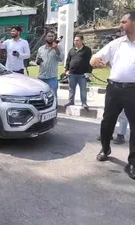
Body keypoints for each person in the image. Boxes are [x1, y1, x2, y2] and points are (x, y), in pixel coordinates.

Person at [90, 11, 135, 179]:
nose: (120, 25)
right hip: (114, 89)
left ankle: (133, 162)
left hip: (133, 91)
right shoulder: (117, 44)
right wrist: (95, 61)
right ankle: (105, 148)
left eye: (124, 22)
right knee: (107, 122)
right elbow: (95, 58)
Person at [64, 34, 93, 110]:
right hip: (72, 73)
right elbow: (68, 61)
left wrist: (89, 72)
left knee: (83, 89)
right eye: (74, 40)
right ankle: (71, 101)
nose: (75, 42)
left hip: (82, 74)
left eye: (77, 40)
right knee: (71, 88)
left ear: (82, 41)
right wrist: (66, 70)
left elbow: (90, 62)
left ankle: (84, 102)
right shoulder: (72, 50)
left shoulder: (87, 50)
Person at [36, 30, 64, 99]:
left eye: (52, 36)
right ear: (45, 37)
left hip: (52, 77)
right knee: (41, 97)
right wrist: (38, 61)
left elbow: (61, 59)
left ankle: (54, 108)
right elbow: (37, 60)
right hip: (41, 77)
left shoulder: (58, 47)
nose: (50, 38)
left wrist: (56, 49)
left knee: (53, 96)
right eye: (49, 36)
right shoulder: (41, 49)